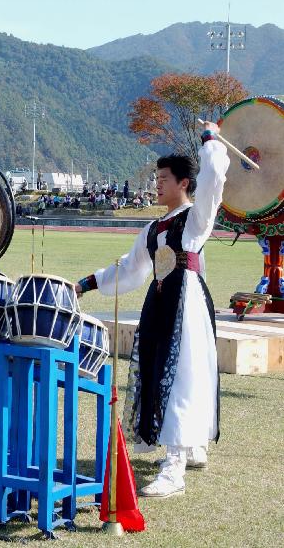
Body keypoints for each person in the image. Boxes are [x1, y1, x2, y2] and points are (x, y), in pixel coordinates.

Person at [75, 122, 228, 499]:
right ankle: (188, 446)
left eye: (164, 178)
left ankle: (176, 466)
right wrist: (85, 284)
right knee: (161, 371)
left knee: (184, 375)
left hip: (186, 302)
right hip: (159, 303)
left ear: (183, 184)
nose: (157, 184)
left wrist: (211, 141)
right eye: (156, 177)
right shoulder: (152, 227)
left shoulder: (195, 218)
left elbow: (213, 181)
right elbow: (130, 270)